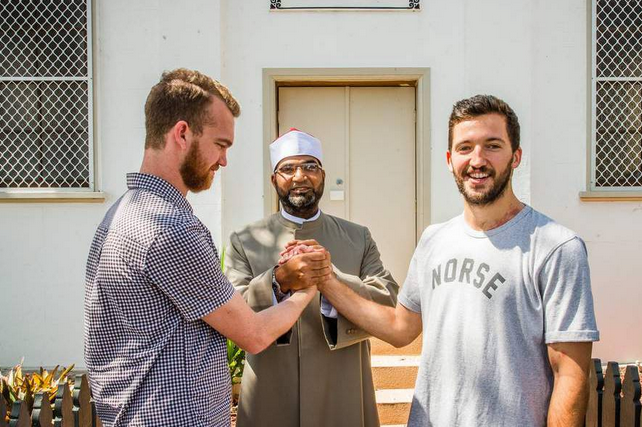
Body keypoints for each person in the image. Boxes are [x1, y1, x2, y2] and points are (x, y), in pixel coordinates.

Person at [317, 95, 599, 427]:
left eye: (492, 146)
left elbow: (570, 371)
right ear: (450, 160)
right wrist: (327, 281)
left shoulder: (556, 246)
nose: (477, 159)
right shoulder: (433, 240)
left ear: (516, 156)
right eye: (465, 148)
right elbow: (400, 328)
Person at [84, 70, 323, 427]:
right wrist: (307, 287)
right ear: (182, 133)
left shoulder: (120, 213)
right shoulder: (170, 227)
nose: (224, 161)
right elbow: (254, 335)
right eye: (221, 145)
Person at [224, 129, 399, 427]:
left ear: (323, 175)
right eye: (288, 169)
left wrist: (329, 278)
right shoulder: (245, 240)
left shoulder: (358, 237)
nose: (299, 176)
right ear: (273, 179)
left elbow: (387, 299)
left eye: (309, 166)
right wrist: (279, 280)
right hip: (272, 385)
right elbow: (234, 311)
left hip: (342, 383)